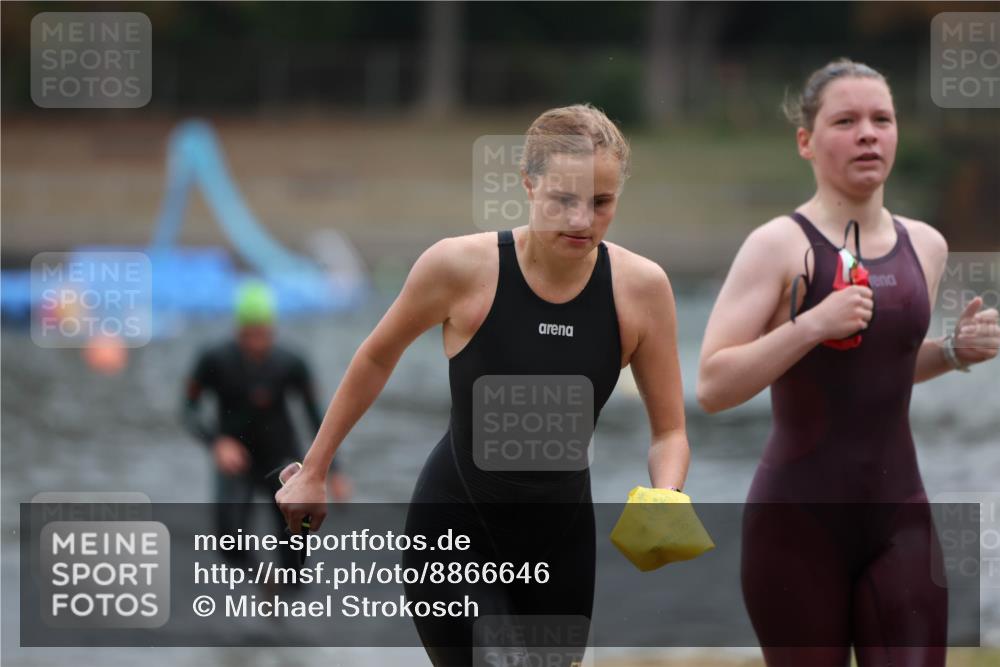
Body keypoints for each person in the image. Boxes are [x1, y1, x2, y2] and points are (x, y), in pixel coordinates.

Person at [275, 104, 690, 665]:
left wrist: (667, 492)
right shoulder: (461, 267)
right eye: (562, 200)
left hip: (560, 538)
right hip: (454, 522)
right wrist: (316, 470)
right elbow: (376, 357)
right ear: (528, 184)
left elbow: (669, 432)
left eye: (601, 203)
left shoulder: (641, 289)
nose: (581, 220)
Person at [696, 59, 999, 666]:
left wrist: (952, 353)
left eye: (881, 119)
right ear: (806, 142)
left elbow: (873, 372)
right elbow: (714, 385)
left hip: (900, 518)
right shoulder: (778, 245)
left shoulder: (926, 245)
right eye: (846, 120)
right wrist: (811, 324)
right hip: (796, 524)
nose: (868, 133)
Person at [183, 281, 352, 578]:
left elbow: (316, 418)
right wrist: (216, 443)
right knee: (228, 541)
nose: (257, 343)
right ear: (238, 330)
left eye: (264, 334)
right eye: (250, 335)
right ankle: (263, 581)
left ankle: (292, 603)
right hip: (237, 462)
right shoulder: (214, 360)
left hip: (281, 460)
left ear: (273, 330)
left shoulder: (291, 363)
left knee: (295, 548)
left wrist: (333, 471)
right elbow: (187, 410)